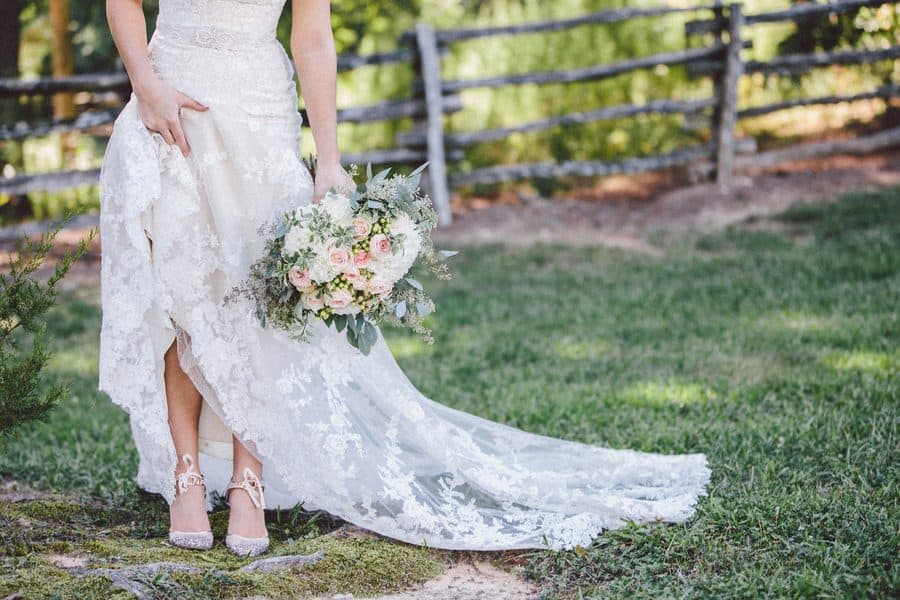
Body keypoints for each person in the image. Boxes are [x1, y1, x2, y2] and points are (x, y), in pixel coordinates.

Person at [99, 0, 711, 557]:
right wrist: (145, 85)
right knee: (186, 293)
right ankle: (186, 473)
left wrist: (329, 160)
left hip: (260, 109)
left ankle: (247, 481)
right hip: (169, 98)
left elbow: (313, 36)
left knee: (263, 301)